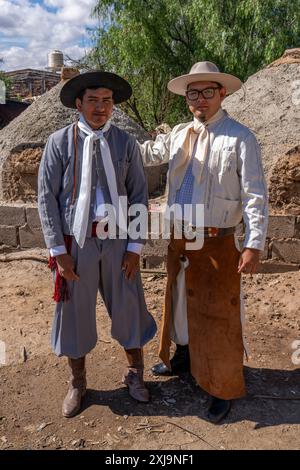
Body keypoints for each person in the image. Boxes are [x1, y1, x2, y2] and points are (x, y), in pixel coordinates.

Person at [140, 61, 268, 423]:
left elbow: (255, 195)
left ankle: (222, 386)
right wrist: (108, 138)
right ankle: (183, 356)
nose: (200, 99)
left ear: (221, 93)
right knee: (179, 301)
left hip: (216, 242)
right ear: (187, 99)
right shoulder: (180, 133)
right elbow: (148, 153)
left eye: (207, 92)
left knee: (219, 313)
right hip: (180, 239)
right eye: (193, 93)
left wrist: (253, 243)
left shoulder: (240, 137)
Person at [38, 70, 156, 418]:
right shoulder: (59, 143)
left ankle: (134, 374)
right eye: (93, 100)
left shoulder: (125, 143)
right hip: (78, 243)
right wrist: (59, 252)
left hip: (118, 240)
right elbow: (46, 199)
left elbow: (138, 195)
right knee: (74, 311)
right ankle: (78, 381)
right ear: (79, 103)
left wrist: (135, 247)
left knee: (128, 306)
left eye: (107, 101)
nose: (100, 108)